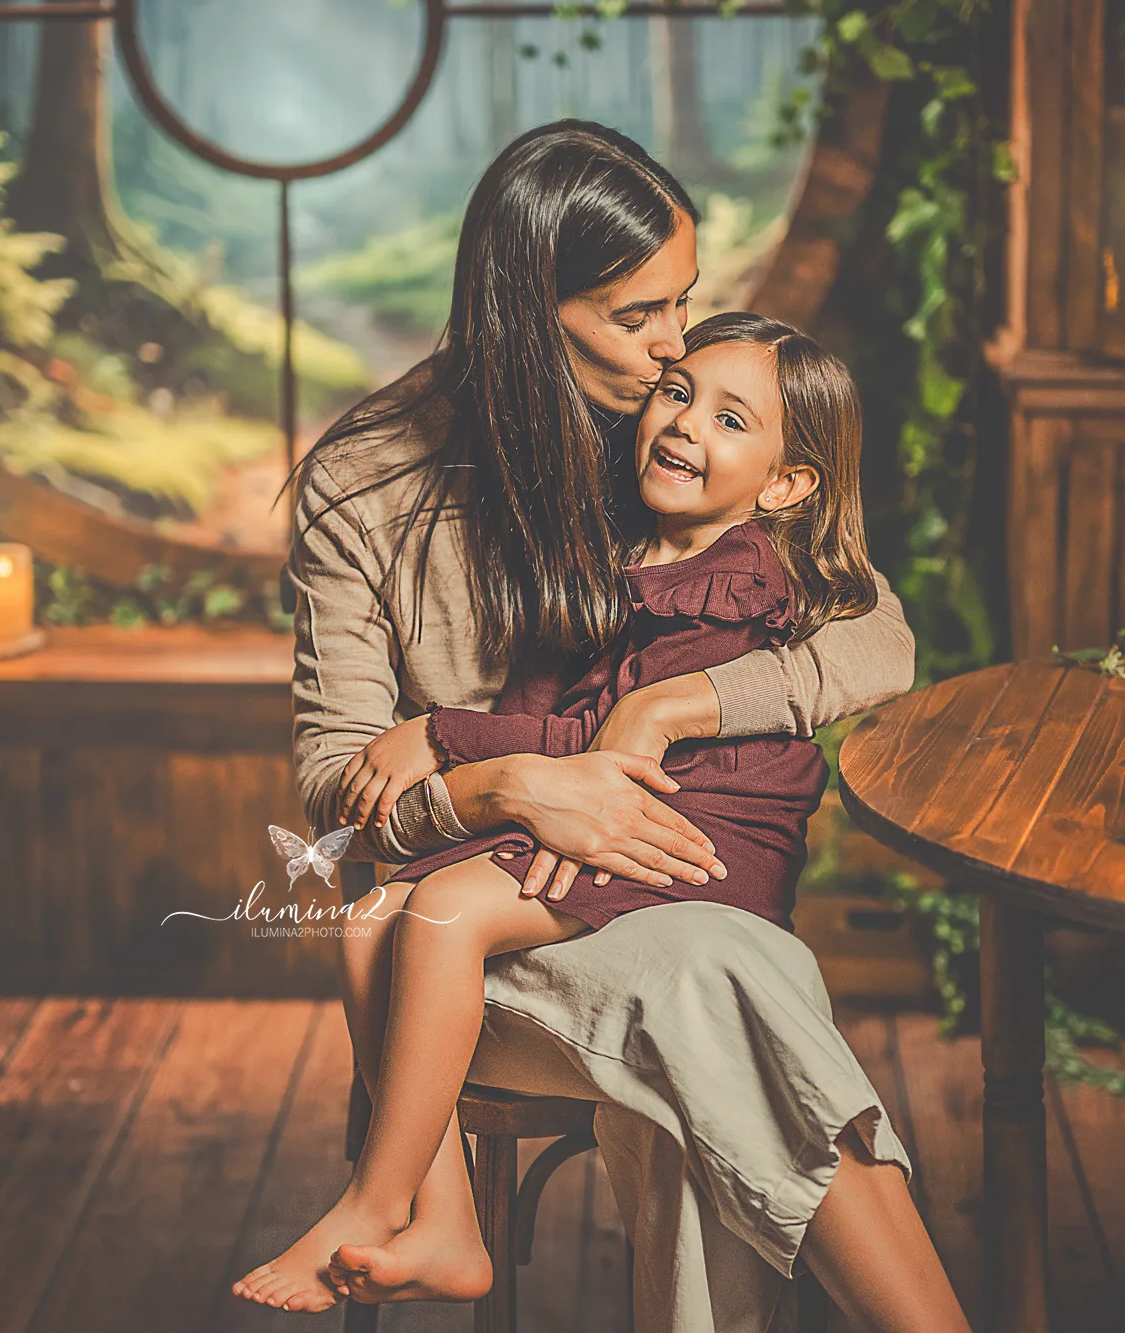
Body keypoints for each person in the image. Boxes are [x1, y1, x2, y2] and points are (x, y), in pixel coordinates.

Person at [238, 122, 968, 1333]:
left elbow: (871, 634)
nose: (675, 348)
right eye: (643, 317)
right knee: (723, 981)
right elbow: (334, 778)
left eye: (681, 305)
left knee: (717, 971)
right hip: (483, 929)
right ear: (530, 304)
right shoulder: (368, 488)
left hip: (656, 873)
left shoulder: (663, 429)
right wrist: (511, 783)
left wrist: (675, 704)